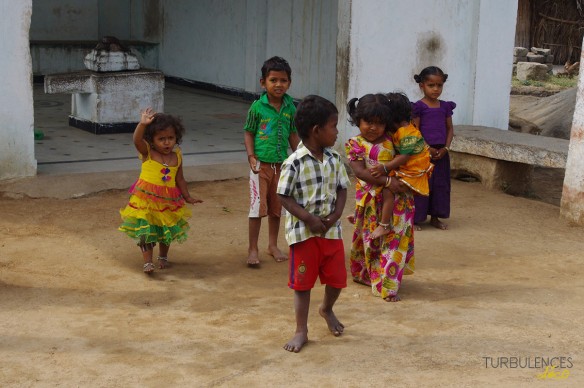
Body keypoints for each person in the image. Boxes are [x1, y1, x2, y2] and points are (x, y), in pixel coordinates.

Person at [277, 95, 350, 353]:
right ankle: (301, 330)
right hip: (304, 234)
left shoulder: (335, 159)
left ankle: (327, 308)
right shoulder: (293, 163)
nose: (337, 131)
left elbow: (342, 189)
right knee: (303, 284)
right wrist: (308, 218)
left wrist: (336, 215)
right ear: (316, 130)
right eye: (333, 126)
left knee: (338, 280)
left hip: (331, 232)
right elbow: (283, 196)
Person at [345, 93, 415, 302]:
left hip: (399, 201)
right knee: (371, 242)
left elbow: (412, 158)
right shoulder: (355, 143)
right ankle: (367, 274)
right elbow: (360, 171)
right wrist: (386, 182)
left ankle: (388, 286)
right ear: (358, 120)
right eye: (368, 122)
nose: (373, 128)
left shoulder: (395, 140)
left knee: (395, 242)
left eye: (379, 123)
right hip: (370, 202)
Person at [119, 108, 202, 273]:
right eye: (161, 139)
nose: (167, 142)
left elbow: (180, 179)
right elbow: (136, 140)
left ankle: (163, 257)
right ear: (151, 140)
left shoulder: (177, 157)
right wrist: (142, 125)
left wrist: (188, 197)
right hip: (146, 201)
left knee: (167, 230)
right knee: (146, 231)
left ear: (176, 138)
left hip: (168, 201)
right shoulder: (148, 153)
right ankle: (148, 262)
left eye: (171, 138)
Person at [244, 56, 300, 266]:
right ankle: (252, 248)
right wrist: (251, 156)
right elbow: (248, 133)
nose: (278, 85)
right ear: (263, 82)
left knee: (277, 208)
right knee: (257, 209)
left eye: (283, 81)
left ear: (289, 83)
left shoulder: (290, 108)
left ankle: (272, 245)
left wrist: (299, 156)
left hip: (282, 166)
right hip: (260, 166)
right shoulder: (257, 108)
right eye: (273, 80)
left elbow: (293, 134)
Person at [369, 92, 433, 239]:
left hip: (413, 172)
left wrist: (385, 167)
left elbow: (405, 157)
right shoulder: (403, 129)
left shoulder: (406, 133)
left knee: (387, 190)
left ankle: (384, 225)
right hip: (410, 169)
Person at [412, 66, 456, 230]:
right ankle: (416, 218)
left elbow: (450, 129)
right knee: (422, 184)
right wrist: (427, 148)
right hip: (423, 153)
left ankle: (435, 217)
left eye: (439, 85)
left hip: (442, 153)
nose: (436, 89)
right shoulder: (418, 107)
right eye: (431, 85)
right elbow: (415, 132)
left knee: (440, 185)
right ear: (421, 85)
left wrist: (446, 148)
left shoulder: (445, 107)